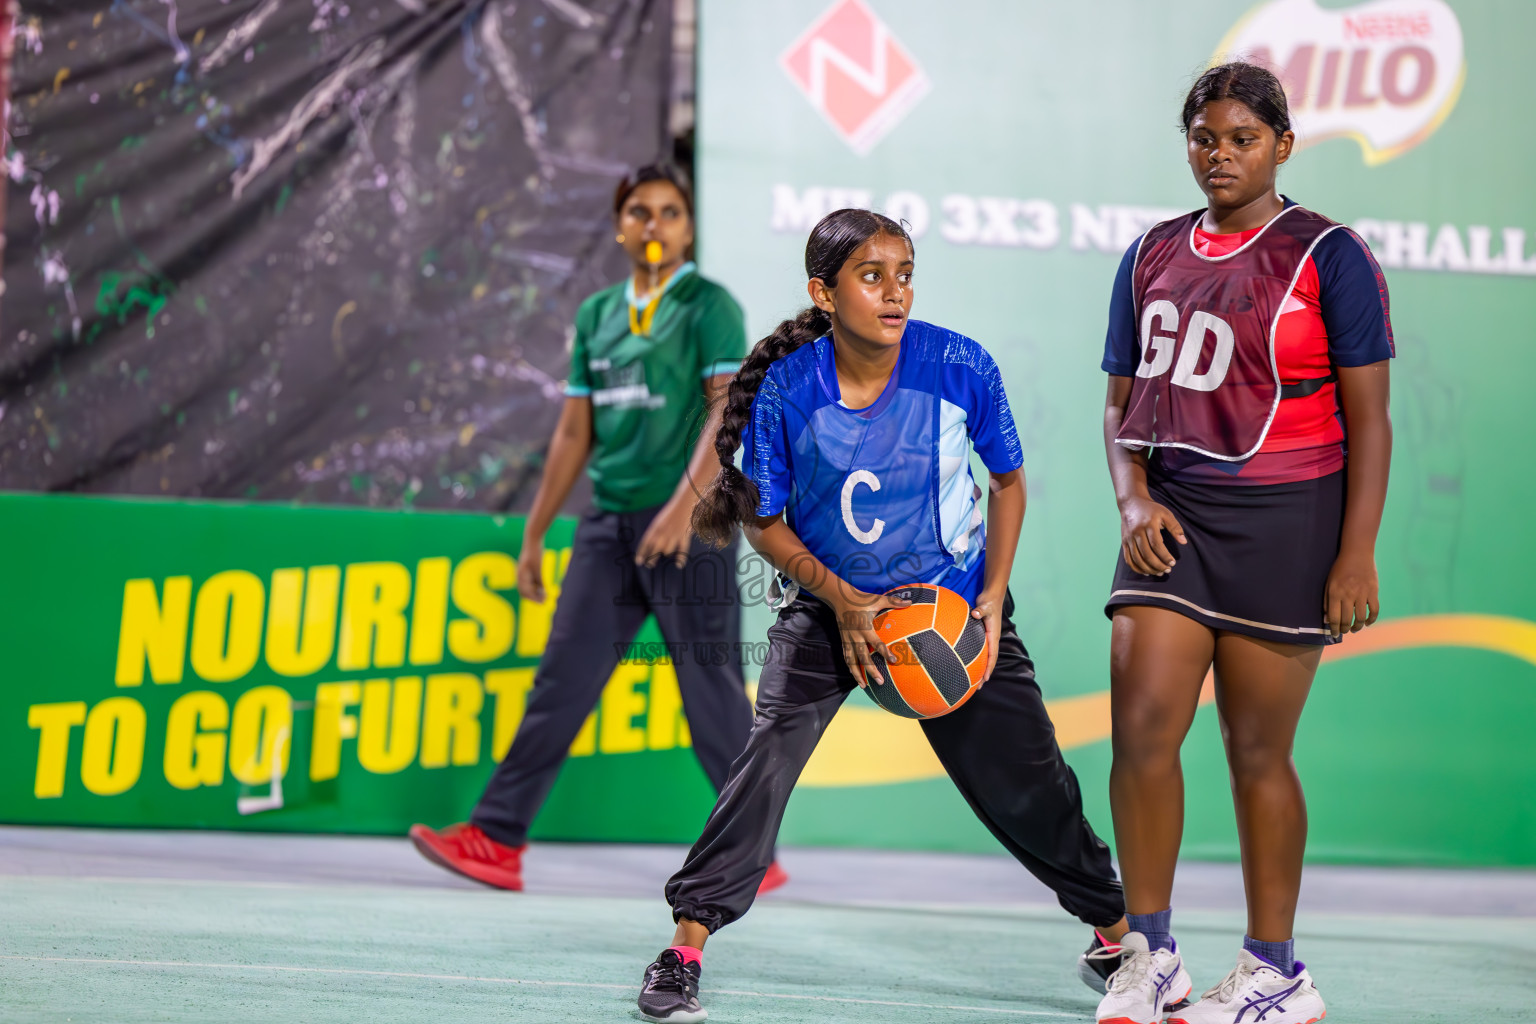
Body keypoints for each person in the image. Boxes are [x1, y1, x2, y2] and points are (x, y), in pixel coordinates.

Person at [633, 208, 1131, 1024]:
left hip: (948, 612)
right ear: (823, 294)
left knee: (1031, 787)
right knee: (762, 766)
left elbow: (1007, 483)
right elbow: (763, 521)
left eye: (905, 273)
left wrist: (994, 594)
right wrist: (842, 599)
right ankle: (685, 946)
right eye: (872, 276)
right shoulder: (791, 392)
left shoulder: (961, 364)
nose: (895, 292)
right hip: (833, 609)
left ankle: (1118, 938)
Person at [1090, 63, 1394, 1024]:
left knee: (1256, 751)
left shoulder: (1328, 255)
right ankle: (1152, 952)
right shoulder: (1149, 254)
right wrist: (1133, 501)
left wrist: (1356, 554)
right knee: (1140, 732)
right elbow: (1117, 405)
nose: (1220, 155)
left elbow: (1371, 420)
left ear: (1283, 145)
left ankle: (1276, 971)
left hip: (1288, 526)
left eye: (1241, 139)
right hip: (1171, 525)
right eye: (1204, 138)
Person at [409, 164, 786, 895]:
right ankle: (495, 838)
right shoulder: (596, 315)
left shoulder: (710, 306)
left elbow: (724, 413)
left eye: (670, 212)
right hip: (608, 526)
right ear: (621, 226)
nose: (654, 224)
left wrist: (682, 509)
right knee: (560, 683)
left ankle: (752, 849)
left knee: (708, 690)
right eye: (640, 212)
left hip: (693, 522)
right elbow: (574, 430)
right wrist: (533, 532)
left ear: (688, 227)